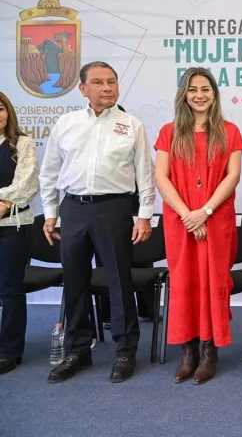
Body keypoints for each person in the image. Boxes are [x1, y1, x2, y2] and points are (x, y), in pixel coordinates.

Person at [40, 61, 155, 384]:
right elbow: (49, 171)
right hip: (73, 209)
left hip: (114, 208)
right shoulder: (67, 123)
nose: (107, 88)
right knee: (75, 281)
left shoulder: (131, 125)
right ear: (82, 89)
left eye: (112, 82)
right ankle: (78, 350)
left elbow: (145, 174)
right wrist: (50, 213)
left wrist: (144, 215)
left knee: (119, 281)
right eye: (99, 82)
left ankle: (125, 351)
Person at [154, 67, 242, 385]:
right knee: (185, 281)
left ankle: (209, 352)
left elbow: (232, 177)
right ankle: (188, 352)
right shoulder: (169, 132)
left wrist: (204, 212)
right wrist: (188, 216)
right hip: (180, 222)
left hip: (216, 219)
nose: (199, 95)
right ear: (183, 94)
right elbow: (161, 177)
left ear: (214, 94)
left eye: (205, 89)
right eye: (192, 89)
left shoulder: (230, 131)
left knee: (212, 281)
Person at [96, 103, 156, 329]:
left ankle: (148, 309)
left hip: (133, 206)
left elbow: (147, 173)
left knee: (142, 258)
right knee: (106, 263)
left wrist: (144, 212)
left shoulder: (132, 133)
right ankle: (108, 314)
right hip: (103, 210)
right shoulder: (94, 142)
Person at [0, 92, 39, 375]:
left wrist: (3, 202)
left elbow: (27, 181)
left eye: (1, 108)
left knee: (9, 289)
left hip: (13, 225)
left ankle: (9, 350)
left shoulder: (21, 144)